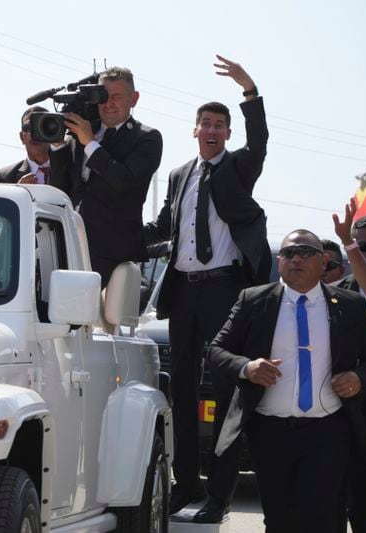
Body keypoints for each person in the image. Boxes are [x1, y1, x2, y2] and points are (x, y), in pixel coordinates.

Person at [143, 55, 270, 522]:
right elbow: (161, 229)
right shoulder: (179, 175)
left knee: (225, 390)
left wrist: (249, 92)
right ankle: (184, 486)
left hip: (225, 293)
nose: (212, 130)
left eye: (220, 124)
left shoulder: (238, 168)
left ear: (227, 134)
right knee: (181, 393)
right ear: (194, 130)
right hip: (184, 293)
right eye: (206, 124)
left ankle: (219, 497)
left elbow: (260, 141)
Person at [209, 229, 366, 533]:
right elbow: (217, 350)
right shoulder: (253, 301)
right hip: (270, 432)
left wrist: (358, 378)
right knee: (279, 519)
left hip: (327, 431)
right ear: (280, 261)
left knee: (323, 517)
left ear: (323, 261)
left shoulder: (349, 305)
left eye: (305, 252)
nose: (296, 258)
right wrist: (247, 367)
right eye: (288, 253)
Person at [49, 66, 162, 284]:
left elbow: (124, 182)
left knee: (97, 318)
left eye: (117, 97)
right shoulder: (81, 133)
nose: (108, 104)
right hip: (69, 244)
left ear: (134, 99)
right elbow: (61, 191)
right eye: (103, 97)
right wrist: (58, 147)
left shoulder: (147, 138)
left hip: (113, 254)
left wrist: (90, 143)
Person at [332, 203, 366, 533]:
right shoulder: (337, 294)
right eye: (363, 246)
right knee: (351, 482)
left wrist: (348, 247)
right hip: (352, 399)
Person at [0, 106, 51, 184]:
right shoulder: (5, 176)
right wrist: (19, 191)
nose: (34, 134)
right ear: (22, 137)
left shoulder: (70, 170)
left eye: (42, 128)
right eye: (28, 128)